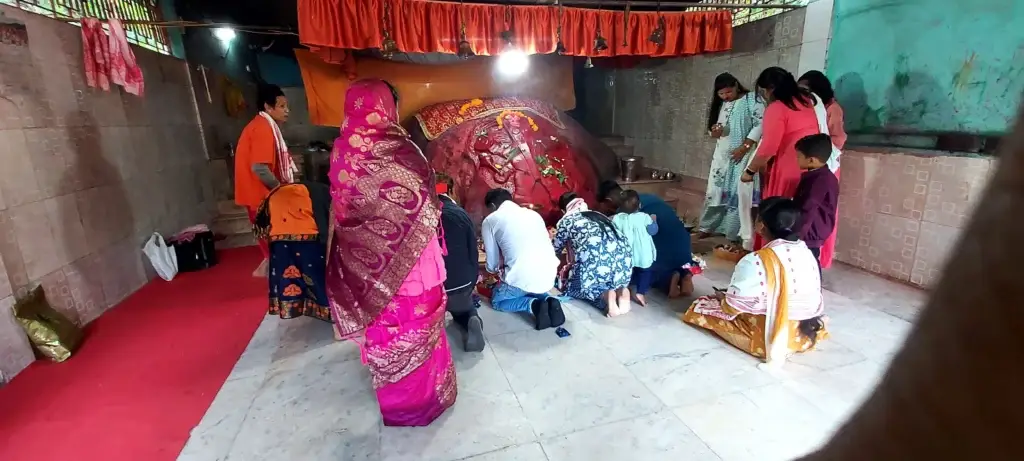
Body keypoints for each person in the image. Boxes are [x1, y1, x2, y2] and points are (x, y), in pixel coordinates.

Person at [325, 79, 455, 427]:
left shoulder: (341, 150)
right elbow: (426, 201)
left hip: (365, 264)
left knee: (389, 330)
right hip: (413, 262)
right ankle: (426, 399)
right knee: (417, 321)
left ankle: (399, 405)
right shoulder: (401, 149)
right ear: (387, 107)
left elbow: (342, 211)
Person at [681, 197, 827, 364]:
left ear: (761, 225)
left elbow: (732, 308)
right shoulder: (807, 252)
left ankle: (761, 342)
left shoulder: (756, 259)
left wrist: (724, 299)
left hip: (772, 336)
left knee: (700, 307)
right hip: (805, 331)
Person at [740, 67, 822, 251]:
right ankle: (791, 254)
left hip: (785, 167)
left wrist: (749, 171)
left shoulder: (777, 108)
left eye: (764, 91)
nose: (765, 95)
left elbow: (769, 147)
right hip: (806, 166)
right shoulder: (807, 102)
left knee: (775, 214)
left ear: (771, 88)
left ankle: (771, 254)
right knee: (795, 215)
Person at [234, 84, 297, 276]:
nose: (287, 111)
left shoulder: (260, 124)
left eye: (287, 105)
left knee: (270, 241)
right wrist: (280, 190)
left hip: (256, 195)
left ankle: (276, 271)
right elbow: (259, 167)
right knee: (274, 242)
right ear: (268, 107)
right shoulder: (263, 128)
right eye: (281, 106)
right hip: (259, 196)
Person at [698, 73, 766, 250]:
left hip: (743, 154)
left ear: (737, 85)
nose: (726, 97)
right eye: (721, 94)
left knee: (738, 193)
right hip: (722, 156)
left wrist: (744, 147)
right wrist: (714, 131)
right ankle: (708, 226)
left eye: (728, 92)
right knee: (716, 190)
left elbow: (761, 124)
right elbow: (718, 129)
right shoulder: (722, 104)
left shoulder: (753, 99)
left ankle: (732, 232)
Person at [481, 188, 564, 330]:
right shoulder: (534, 214)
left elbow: (492, 263)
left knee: (497, 300)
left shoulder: (490, 220)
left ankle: (533, 305)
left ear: (493, 206)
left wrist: (493, 270)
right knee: (528, 283)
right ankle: (549, 299)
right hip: (549, 274)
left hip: (521, 275)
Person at [597, 181, 696, 298]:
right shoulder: (648, 197)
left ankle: (669, 278)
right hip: (685, 247)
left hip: (663, 256)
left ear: (608, 201)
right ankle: (685, 274)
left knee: (638, 271)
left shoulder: (623, 214)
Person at [253, 182, 332, 322]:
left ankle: (296, 307)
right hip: (306, 235)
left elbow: (262, 224)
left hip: (277, 235)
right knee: (316, 275)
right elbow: (326, 224)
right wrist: (326, 248)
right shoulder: (325, 194)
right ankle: (331, 317)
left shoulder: (283, 190)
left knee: (289, 275)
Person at [554, 192, 633, 316]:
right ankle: (622, 290)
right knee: (604, 272)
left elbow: (556, 249)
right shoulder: (598, 215)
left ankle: (606, 296)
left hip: (598, 263)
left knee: (575, 288)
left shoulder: (567, 221)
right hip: (624, 260)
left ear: (564, 210)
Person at [799, 70, 847, 270]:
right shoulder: (810, 106)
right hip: (811, 159)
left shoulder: (832, 108)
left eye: (806, 89)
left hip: (823, 161)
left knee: (818, 210)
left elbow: (837, 138)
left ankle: (816, 258)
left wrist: (817, 150)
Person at [437, 182, 484, 352]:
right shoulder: (460, 214)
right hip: (462, 280)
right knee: (462, 309)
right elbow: (473, 250)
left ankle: (435, 331)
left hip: (435, 283)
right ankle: (470, 317)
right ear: (451, 193)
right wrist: (473, 279)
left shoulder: (423, 215)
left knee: (432, 316)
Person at [793, 134, 839, 271]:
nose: (796, 160)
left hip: (810, 231)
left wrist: (797, 234)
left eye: (798, 156)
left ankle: (814, 288)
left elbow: (809, 208)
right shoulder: (818, 175)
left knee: (809, 263)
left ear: (811, 160)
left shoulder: (820, 180)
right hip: (812, 230)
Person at [611, 190, 659, 307]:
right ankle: (640, 292)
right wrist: (654, 220)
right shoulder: (645, 217)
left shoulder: (617, 218)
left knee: (627, 272)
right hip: (643, 253)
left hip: (626, 253)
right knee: (645, 272)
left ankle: (623, 290)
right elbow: (653, 231)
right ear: (640, 205)